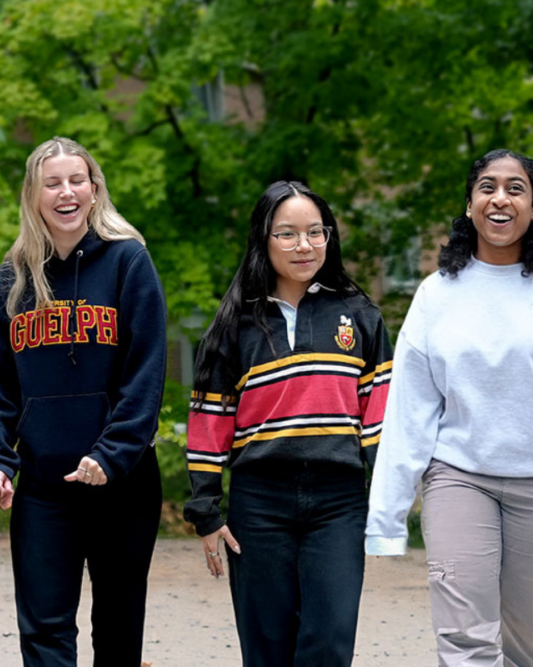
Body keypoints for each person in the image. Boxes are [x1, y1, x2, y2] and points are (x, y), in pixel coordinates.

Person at [366, 149, 533, 666]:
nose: (500, 197)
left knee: (531, 647)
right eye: (487, 186)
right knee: (464, 640)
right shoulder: (438, 293)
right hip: (460, 477)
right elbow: (410, 409)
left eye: (515, 188)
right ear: (469, 205)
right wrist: (387, 516)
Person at [0, 137, 167, 666]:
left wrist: (110, 453)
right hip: (41, 489)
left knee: (118, 629)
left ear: (94, 188)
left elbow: (145, 374)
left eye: (76, 180)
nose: (66, 192)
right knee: (43, 630)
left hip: (120, 482)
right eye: (52, 183)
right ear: (33, 196)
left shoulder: (128, 262)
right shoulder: (10, 280)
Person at [184, 180, 394, 666]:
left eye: (315, 232)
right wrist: (206, 511)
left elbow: (379, 417)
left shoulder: (359, 316)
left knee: (329, 643)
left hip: (338, 501)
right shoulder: (236, 324)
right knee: (268, 650)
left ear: (329, 236)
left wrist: (386, 500)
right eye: (287, 234)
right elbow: (211, 422)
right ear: (263, 239)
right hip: (259, 502)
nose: (304, 245)